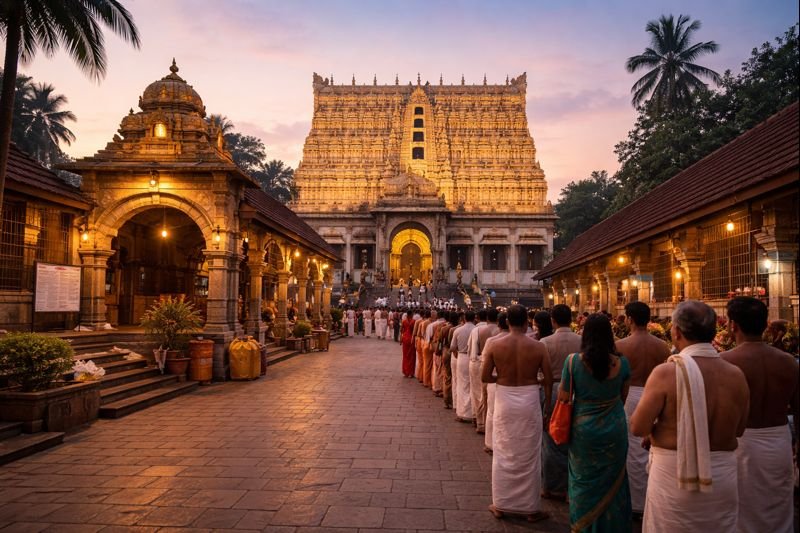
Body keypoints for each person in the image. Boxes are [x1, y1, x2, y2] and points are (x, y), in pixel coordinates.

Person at [631, 300, 749, 533]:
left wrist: (661, 430)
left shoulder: (667, 372)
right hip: (721, 475)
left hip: (674, 475)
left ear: (676, 331)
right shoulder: (735, 375)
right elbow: (739, 429)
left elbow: (638, 426)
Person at [721, 297, 798, 533]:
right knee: (778, 505)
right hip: (779, 441)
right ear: (765, 324)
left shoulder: (725, 362)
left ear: (732, 325)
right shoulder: (789, 362)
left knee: (742, 507)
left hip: (741, 444)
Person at [561, 313, 632, 532]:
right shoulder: (622, 363)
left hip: (584, 430)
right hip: (614, 427)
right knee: (614, 480)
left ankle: (583, 525)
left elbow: (564, 398)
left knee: (582, 479)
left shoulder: (573, 362)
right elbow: (623, 397)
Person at [482, 304, 551, 523]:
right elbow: (548, 379)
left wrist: (502, 380)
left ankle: (501, 504)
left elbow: (485, 377)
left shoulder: (495, 345)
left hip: (505, 398)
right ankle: (530, 509)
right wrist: (546, 403)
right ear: (526, 322)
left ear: (507, 322)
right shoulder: (539, 347)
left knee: (503, 449)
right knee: (529, 452)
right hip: (530, 397)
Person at [614, 301, 670, 517]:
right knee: (649, 448)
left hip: (629, 397)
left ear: (629, 319)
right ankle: (646, 498)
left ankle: (632, 500)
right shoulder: (662, 346)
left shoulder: (621, 346)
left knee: (629, 449)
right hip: (654, 397)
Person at [539, 304, 582, 501]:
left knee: (551, 439)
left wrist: (547, 402)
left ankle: (551, 486)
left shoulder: (545, 342)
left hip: (553, 389)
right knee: (573, 438)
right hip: (577, 391)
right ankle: (570, 486)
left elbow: (542, 374)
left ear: (553, 321)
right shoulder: (581, 341)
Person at [469, 307, 500, 434]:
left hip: (482, 361)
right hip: (498, 366)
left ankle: (480, 421)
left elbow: (475, 350)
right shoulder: (502, 332)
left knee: (480, 393)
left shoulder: (479, 331)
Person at [484, 312, 510, 454]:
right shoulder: (532, 342)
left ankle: (490, 443)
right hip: (518, 386)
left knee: (492, 412)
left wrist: (497, 378)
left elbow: (485, 372)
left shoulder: (492, 342)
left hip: (496, 380)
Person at [451, 310, 477, 422]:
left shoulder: (458, 330)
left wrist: (457, 354)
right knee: (473, 385)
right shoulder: (477, 330)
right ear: (474, 318)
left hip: (462, 357)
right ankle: (473, 414)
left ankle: (462, 413)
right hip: (474, 357)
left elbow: (452, 347)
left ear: (464, 318)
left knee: (461, 385)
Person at [442, 311, 461, 409]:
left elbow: (443, 342)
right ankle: (454, 399)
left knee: (448, 376)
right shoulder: (456, 329)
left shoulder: (445, 328)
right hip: (455, 353)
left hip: (447, 351)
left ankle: (447, 398)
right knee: (457, 377)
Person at [401, 310, 417, 378]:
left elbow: (402, 330)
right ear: (411, 314)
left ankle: (406, 372)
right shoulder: (414, 321)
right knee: (412, 356)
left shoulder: (404, 321)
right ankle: (411, 373)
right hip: (411, 339)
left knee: (405, 356)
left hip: (405, 338)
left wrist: (401, 340)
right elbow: (415, 331)